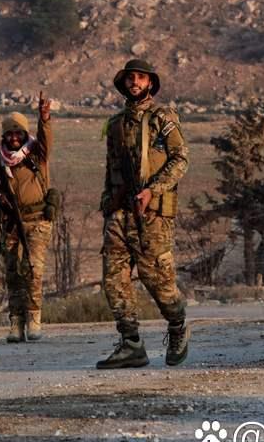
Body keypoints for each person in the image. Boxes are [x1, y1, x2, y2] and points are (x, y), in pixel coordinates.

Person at [96, 59, 190, 369]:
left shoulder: (162, 118)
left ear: (149, 83)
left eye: (140, 77)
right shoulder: (116, 124)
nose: (134, 82)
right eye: (130, 78)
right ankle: (131, 343)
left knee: (158, 280)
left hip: (152, 213)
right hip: (120, 213)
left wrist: (154, 189)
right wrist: (108, 202)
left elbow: (180, 159)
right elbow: (111, 169)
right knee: (114, 280)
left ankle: (178, 327)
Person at [0, 92, 58, 343]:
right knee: (12, 273)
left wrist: (44, 117)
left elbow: (46, 139)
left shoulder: (36, 154)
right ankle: (16, 322)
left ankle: (34, 318)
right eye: (9, 134)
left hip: (37, 220)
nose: (13, 138)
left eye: (18, 133)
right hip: (11, 223)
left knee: (33, 270)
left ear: (24, 134)